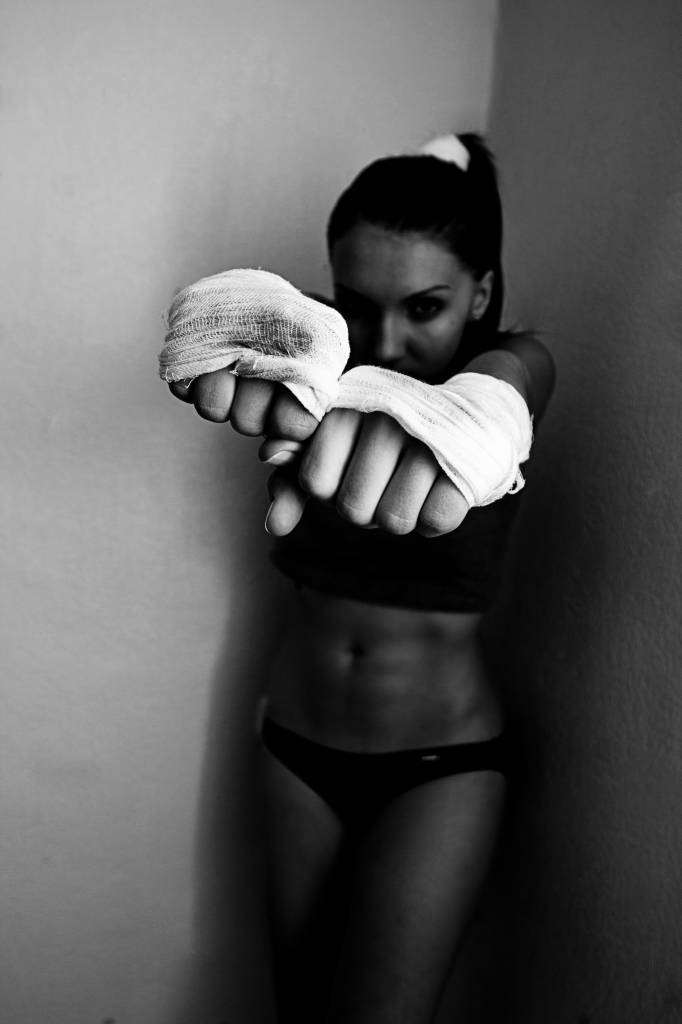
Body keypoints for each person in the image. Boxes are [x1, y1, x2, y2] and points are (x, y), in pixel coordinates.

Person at [167, 132, 555, 1023]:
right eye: (358, 304)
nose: (389, 340)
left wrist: (466, 415)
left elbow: (514, 380)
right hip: (295, 746)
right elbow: (285, 323)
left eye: (426, 307)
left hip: (439, 767)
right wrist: (246, 319)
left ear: (481, 292)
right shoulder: (324, 365)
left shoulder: (513, 363)